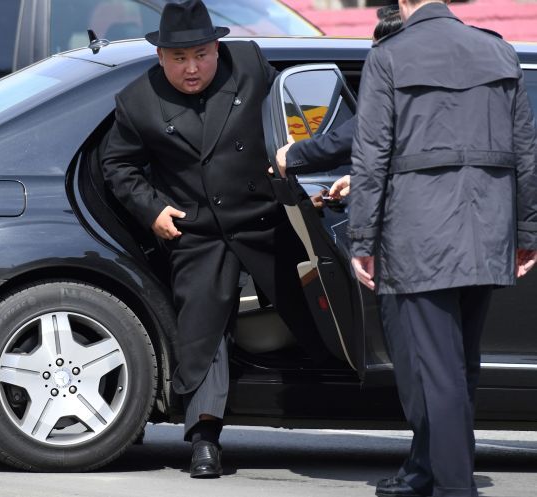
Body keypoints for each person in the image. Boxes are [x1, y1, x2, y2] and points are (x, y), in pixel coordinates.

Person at [102, 0, 322, 479]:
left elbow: (294, 113)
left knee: (315, 307)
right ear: (160, 56)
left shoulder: (250, 64)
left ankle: (350, 392)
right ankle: (204, 438)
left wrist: (295, 152)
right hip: (198, 229)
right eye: (179, 58)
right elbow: (117, 164)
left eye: (200, 55)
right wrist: (152, 208)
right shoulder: (138, 100)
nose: (191, 68)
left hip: (266, 219)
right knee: (203, 331)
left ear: (216, 49)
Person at [348, 1, 537, 496]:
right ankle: (436, 475)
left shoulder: (389, 55)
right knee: (461, 366)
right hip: (488, 228)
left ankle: (455, 488)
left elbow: (370, 157)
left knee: (439, 371)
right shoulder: (499, 51)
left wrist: (362, 238)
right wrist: (526, 231)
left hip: (420, 233)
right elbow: (526, 152)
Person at [274, 7, 402, 195]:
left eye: (375, 50)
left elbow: (354, 136)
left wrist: (293, 154)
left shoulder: (403, 93)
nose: (372, 61)